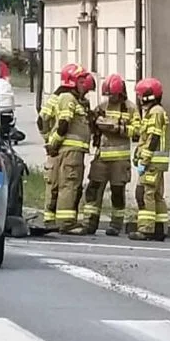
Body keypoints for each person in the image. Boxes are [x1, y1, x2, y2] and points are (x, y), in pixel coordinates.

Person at [81, 74, 139, 236]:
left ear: (121, 93)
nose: (110, 98)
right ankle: (89, 223)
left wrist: (118, 128)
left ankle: (116, 224)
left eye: (112, 94)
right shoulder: (102, 106)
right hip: (101, 157)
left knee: (117, 192)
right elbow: (91, 127)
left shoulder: (130, 108)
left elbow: (137, 131)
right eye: (108, 95)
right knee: (93, 190)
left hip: (120, 160)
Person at [45, 64, 96, 234]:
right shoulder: (68, 98)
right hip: (70, 152)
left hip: (68, 151)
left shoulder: (71, 98)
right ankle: (66, 223)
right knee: (70, 184)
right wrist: (54, 141)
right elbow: (64, 123)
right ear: (73, 81)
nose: (85, 84)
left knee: (61, 183)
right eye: (81, 80)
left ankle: (52, 220)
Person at [132, 77, 170, 241]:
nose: (139, 99)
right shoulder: (156, 111)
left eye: (140, 95)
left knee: (144, 193)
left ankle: (146, 229)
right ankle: (160, 229)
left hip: (152, 161)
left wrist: (144, 160)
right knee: (156, 195)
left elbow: (153, 137)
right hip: (157, 162)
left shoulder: (155, 113)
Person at [35, 84, 65, 233]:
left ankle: (50, 219)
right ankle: (51, 219)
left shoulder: (61, 97)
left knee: (55, 184)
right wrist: (50, 141)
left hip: (57, 148)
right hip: (57, 149)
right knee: (55, 184)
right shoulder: (60, 99)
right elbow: (41, 121)